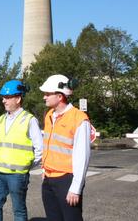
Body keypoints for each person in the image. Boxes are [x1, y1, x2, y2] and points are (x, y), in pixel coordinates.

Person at [0, 79, 42, 221]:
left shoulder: (29, 120)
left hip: (17, 175)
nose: (3, 101)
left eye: (7, 97)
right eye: (3, 97)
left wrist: (27, 166)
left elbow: (40, 149)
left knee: (18, 211)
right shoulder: (1, 119)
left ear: (18, 99)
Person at [40, 74, 91, 221]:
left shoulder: (79, 119)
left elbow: (83, 157)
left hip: (67, 180)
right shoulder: (49, 115)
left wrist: (76, 188)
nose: (44, 97)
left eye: (47, 94)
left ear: (60, 96)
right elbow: (49, 145)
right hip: (49, 179)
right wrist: (44, 170)